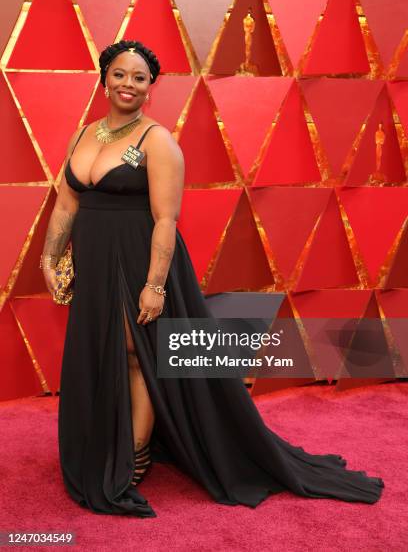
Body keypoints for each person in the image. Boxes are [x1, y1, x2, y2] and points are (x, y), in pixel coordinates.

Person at [40, 39, 384, 518]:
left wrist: (155, 284)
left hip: (141, 261)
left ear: (150, 89)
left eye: (139, 78)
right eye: (120, 74)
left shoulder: (157, 141)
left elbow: (165, 219)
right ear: (104, 79)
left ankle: (136, 454)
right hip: (95, 264)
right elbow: (66, 204)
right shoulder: (83, 137)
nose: (128, 84)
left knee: (141, 354)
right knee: (107, 351)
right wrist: (49, 257)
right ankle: (111, 440)